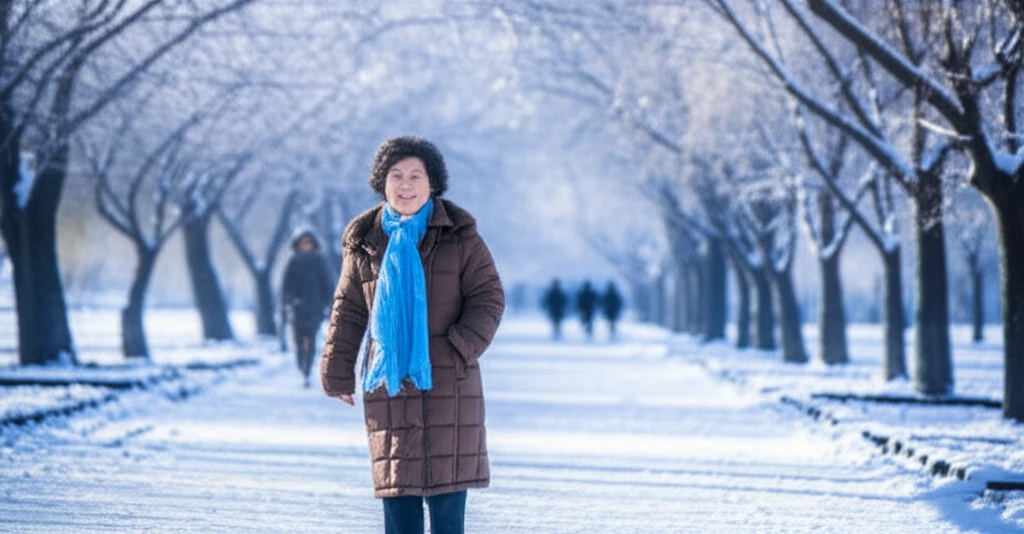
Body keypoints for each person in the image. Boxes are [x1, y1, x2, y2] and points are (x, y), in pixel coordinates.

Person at [320, 136, 505, 534]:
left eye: (415, 176)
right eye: (396, 176)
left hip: (449, 384)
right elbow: (349, 308)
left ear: (432, 184)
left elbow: (488, 297)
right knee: (399, 507)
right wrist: (337, 373)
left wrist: (459, 348)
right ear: (381, 183)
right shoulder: (365, 243)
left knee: (447, 512)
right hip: (389, 384)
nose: (406, 185)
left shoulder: (460, 236)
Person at [280, 228, 334, 388]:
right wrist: (288, 302)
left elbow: (327, 285)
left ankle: (307, 370)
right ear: (297, 245)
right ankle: (301, 364)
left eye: (308, 243)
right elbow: (286, 286)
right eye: (303, 243)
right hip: (297, 308)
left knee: (310, 340)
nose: (306, 246)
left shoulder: (320, 261)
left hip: (315, 308)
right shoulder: (293, 261)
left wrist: (330, 304)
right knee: (298, 341)